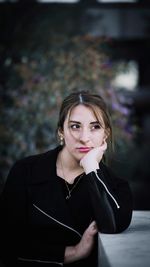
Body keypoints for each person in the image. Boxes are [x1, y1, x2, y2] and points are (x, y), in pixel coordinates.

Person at [0, 90, 133, 267]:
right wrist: (73, 252)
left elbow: (114, 225)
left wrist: (91, 167)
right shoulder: (26, 171)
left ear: (105, 134)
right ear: (61, 131)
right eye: (75, 126)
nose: (85, 138)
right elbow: (7, 243)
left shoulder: (115, 186)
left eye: (95, 127)